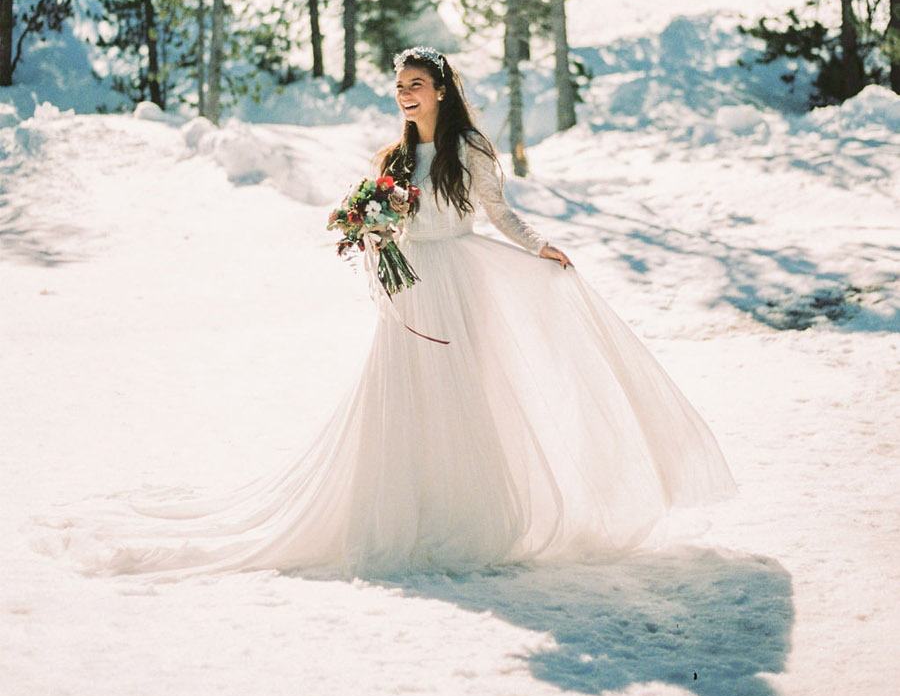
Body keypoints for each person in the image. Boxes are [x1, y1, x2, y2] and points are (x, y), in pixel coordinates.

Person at [35, 46, 736, 582]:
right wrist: (371, 233)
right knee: (402, 396)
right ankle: (400, 512)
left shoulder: (468, 149)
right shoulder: (393, 156)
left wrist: (540, 247)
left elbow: (499, 213)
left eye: (416, 86)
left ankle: (471, 518)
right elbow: (386, 218)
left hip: (462, 280)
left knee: (464, 397)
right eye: (398, 88)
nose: (405, 96)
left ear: (441, 90)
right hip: (411, 289)